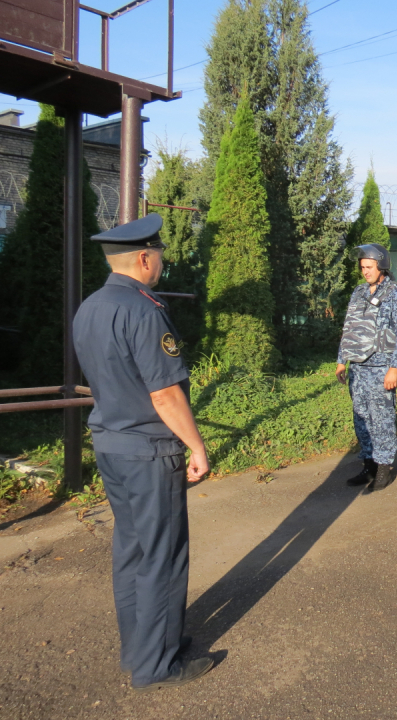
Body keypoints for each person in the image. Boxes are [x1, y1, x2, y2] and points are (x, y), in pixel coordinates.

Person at [73, 214, 213, 691]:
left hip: (111, 445)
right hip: (150, 450)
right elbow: (165, 395)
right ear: (144, 258)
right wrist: (196, 446)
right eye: (159, 257)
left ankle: (142, 646)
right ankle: (157, 666)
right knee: (163, 556)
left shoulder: (89, 308)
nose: (161, 263)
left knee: (132, 550)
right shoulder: (144, 310)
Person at [336, 243, 397, 491]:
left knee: (382, 419)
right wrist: (341, 360)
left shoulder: (396, 293)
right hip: (358, 368)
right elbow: (350, 328)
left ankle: (383, 468)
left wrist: (394, 368)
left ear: (381, 266)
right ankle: (368, 465)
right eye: (362, 267)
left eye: (369, 267)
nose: (365, 271)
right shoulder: (358, 292)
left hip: (381, 368)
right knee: (362, 419)